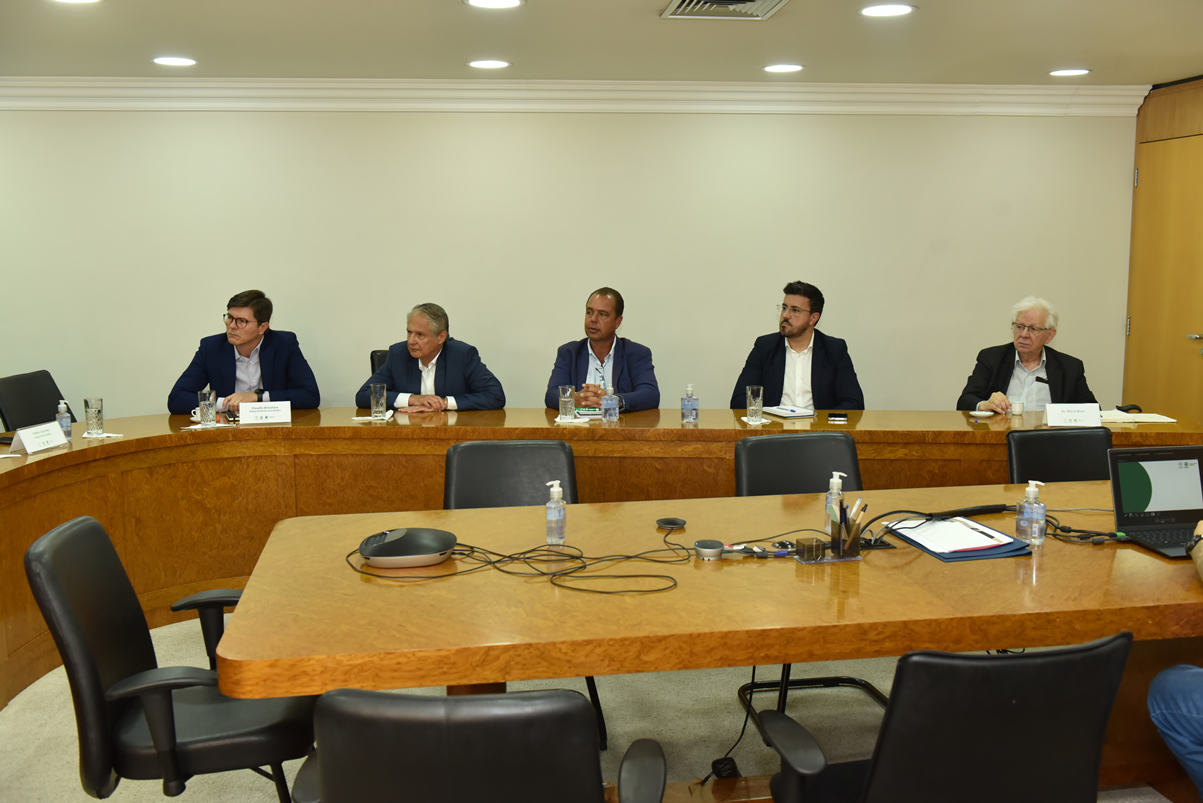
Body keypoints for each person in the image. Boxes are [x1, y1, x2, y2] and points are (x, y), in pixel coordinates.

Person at [168, 289, 320, 415]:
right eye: (230, 318)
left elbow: (310, 395)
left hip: (274, 429)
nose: (232, 326)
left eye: (242, 321)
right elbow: (177, 398)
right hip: (229, 431)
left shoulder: (284, 344)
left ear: (262, 327)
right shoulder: (211, 348)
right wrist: (226, 403)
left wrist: (257, 397)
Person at [729, 281, 864, 410]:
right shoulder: (765, 347)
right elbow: (739, 399)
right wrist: (769, 418)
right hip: (774, 425)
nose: (785, 315)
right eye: (784, 308)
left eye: (795, 310)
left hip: (818, 425)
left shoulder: (834, 350)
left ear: (813, 318)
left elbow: (854, 403)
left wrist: (819, 421)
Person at [956, 296, 1096, 414]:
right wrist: (983, 405)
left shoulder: (1070, 367)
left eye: (1033, 329)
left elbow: (1092, 410)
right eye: (1020, 327)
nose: (1024, 335)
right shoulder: (991, 358)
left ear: (1050, 335)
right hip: (1002, 435)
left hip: (1049, 436)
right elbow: (965, 401)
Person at [356, 303, 504, 411]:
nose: (411, 341)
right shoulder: (398, 354)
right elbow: (364, 395)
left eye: (420, 335)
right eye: (409, 332)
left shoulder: (462, 355)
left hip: (452, 433)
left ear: (441, 337)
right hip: (407, 433)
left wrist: (442, 403)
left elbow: (495, 395)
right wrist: (413, 399)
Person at [543, 287, 659, 413]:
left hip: (620, 425)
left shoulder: (636, 354)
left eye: (602, 314)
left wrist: (614, 401)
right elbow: (551, 395)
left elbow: (650, 395)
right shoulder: (569, 353)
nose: (593, 319)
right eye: (589, 312)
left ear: (618, 322)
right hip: (580, 425)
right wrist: (573, 399)